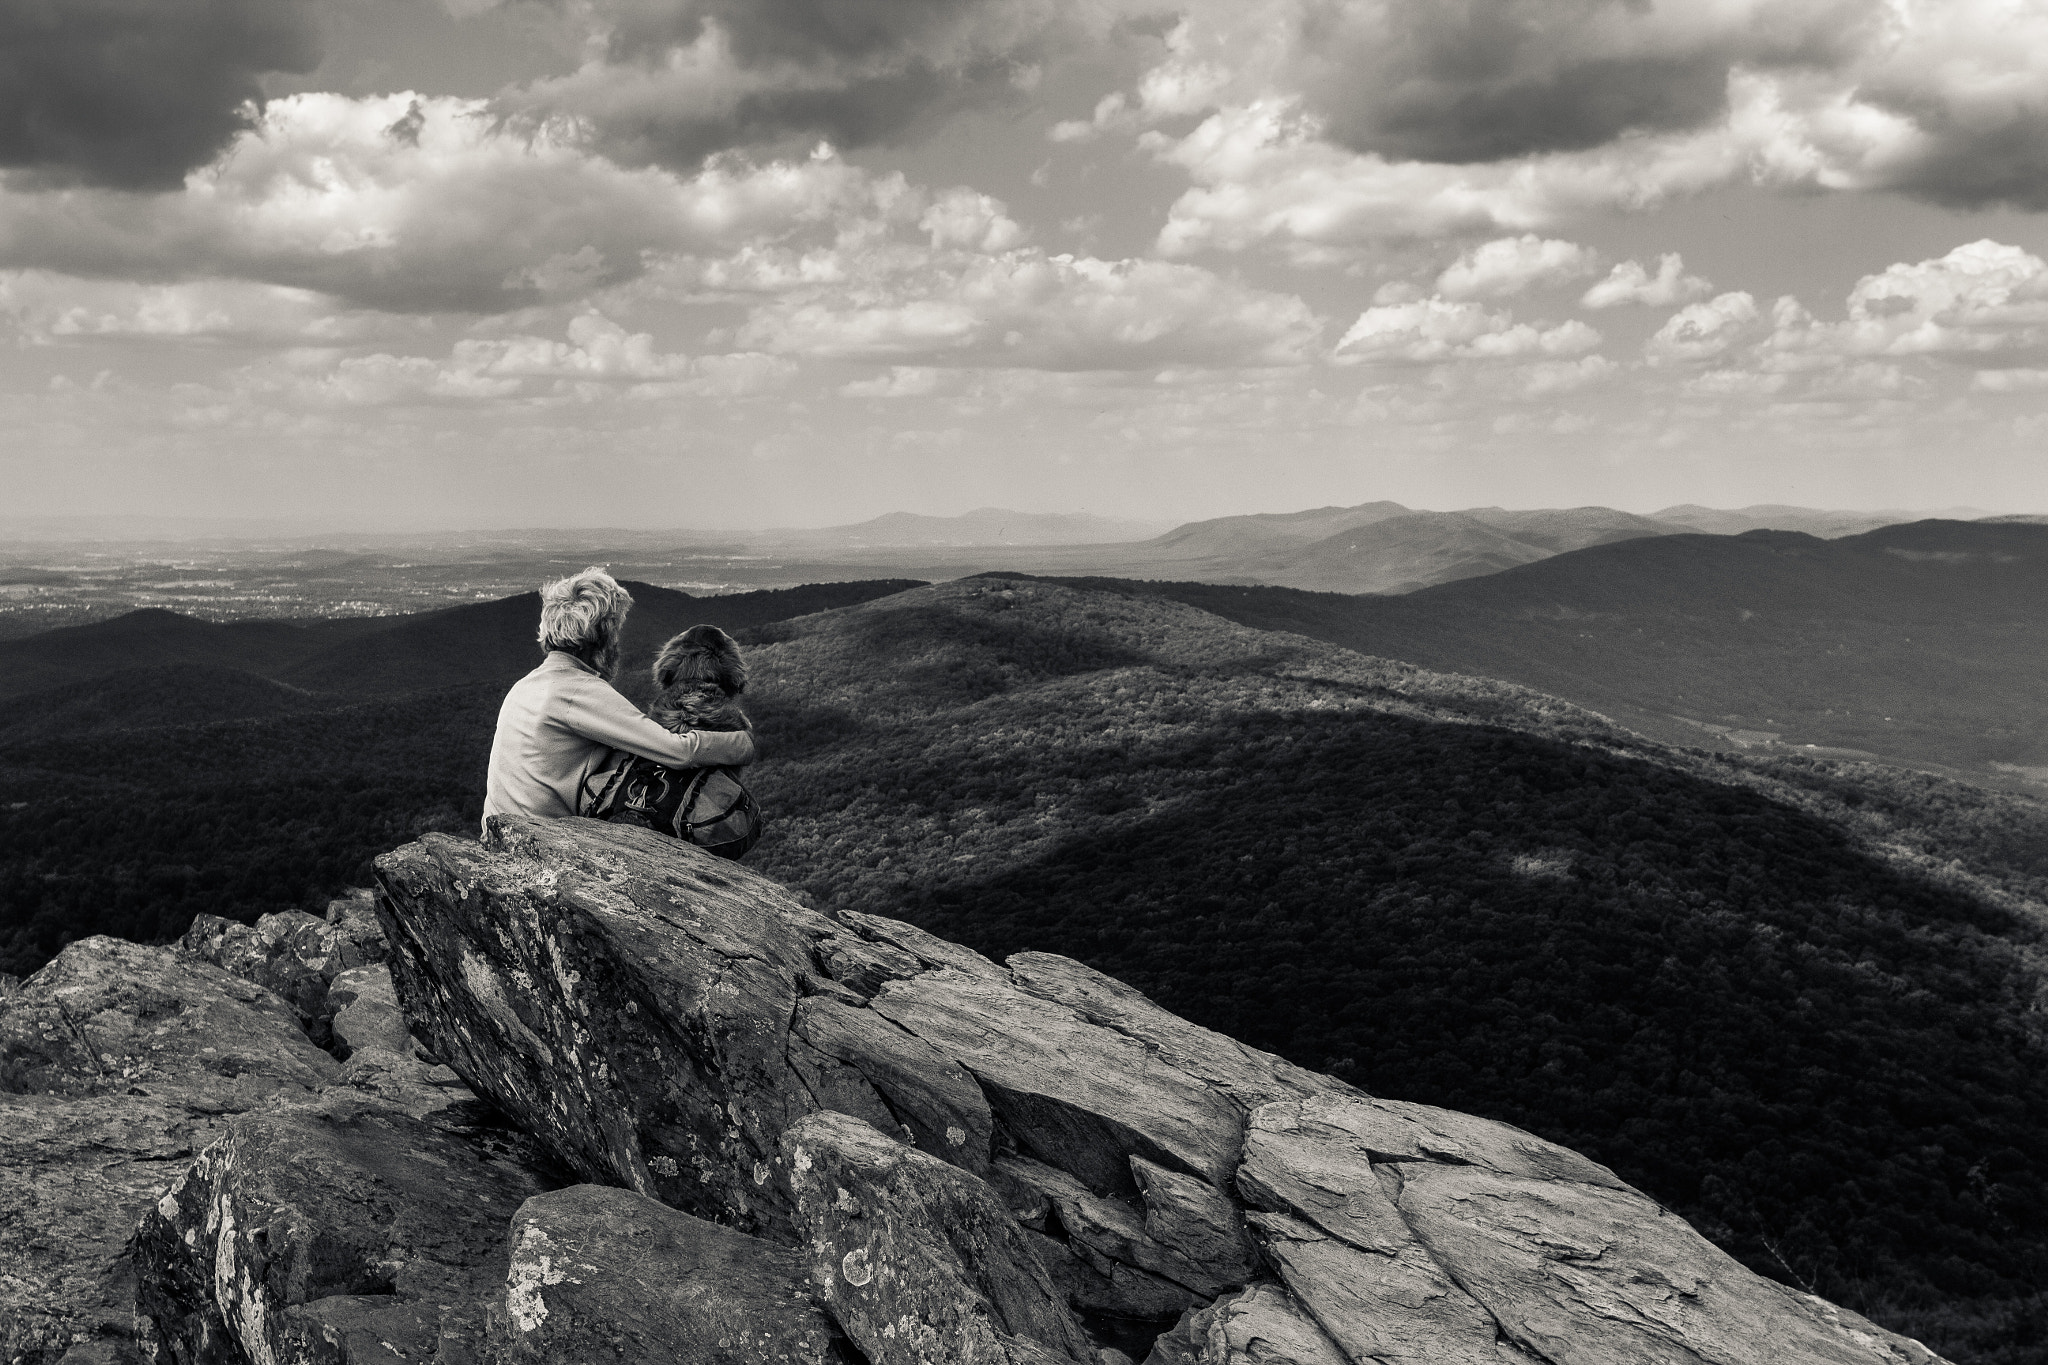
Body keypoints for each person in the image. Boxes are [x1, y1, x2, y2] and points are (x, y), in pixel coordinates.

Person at [482, 567, 755, 830]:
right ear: (600, 638)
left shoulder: (524, 686)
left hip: (497, 831)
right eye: (615, 634)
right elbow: (678, 751)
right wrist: (742, 744)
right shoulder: (578, 690)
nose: (616, 645)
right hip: (541, 840)